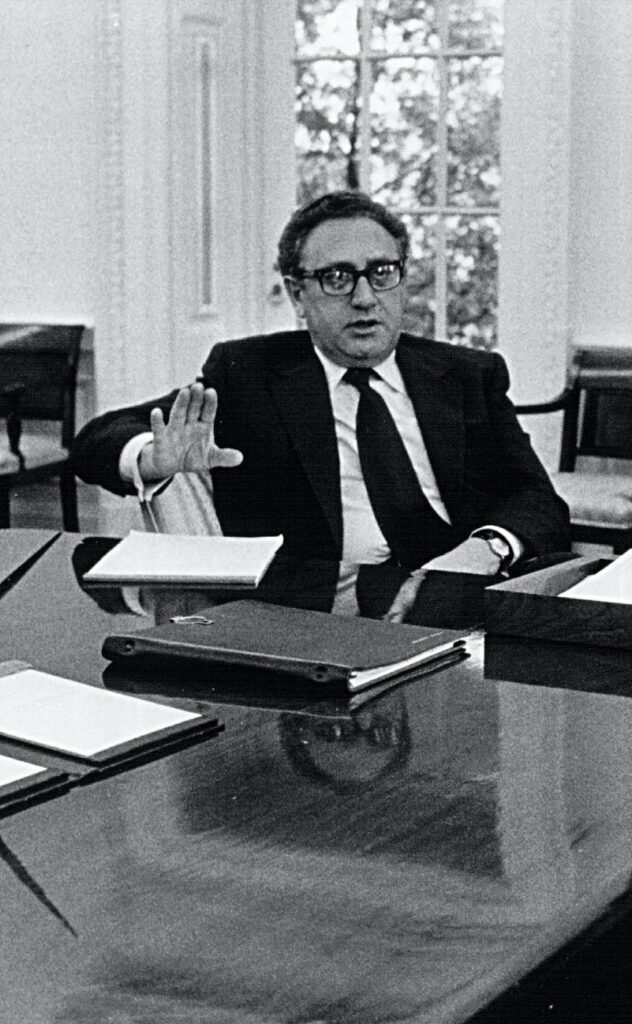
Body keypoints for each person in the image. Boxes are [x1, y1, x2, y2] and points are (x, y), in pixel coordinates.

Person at [72, 190, 570, 574]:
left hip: (460, 599)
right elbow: (96, 439)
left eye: (382, 272)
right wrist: (151, 458)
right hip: (318, 615)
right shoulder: (249, 373)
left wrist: (486, 550)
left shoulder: (467, 375)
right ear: (297, 295)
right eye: (337, 278)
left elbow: (539, 500)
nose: (365, 298)